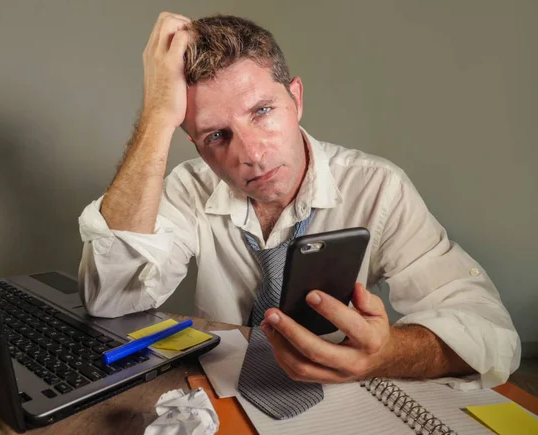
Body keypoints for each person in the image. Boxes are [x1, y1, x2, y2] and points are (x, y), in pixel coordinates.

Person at [78, 12, 520, 388]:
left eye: (262, 112)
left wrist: (386, 354)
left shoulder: (378, 188)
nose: (251, 154)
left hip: (345, 403)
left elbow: (493, 333)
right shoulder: (188, 187)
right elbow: (111, 298)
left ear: (297, 98)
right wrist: (157, 116)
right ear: (193, 143)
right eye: (216, 135)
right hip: (216, 400)